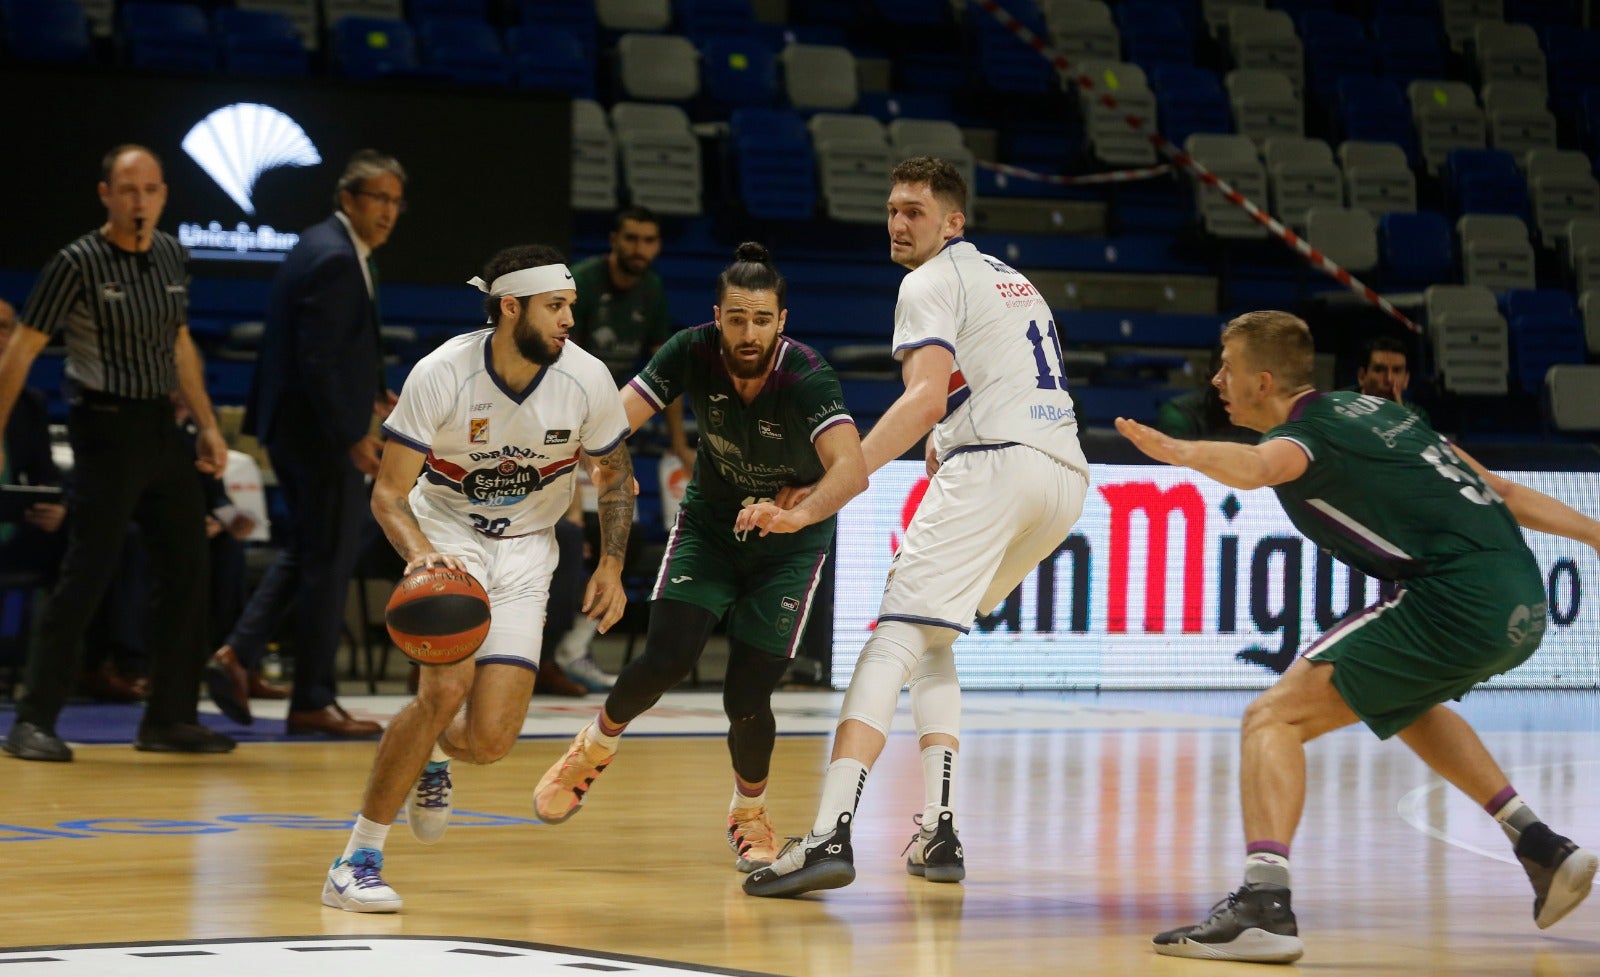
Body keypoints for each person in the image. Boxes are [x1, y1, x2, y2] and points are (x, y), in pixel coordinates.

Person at [1115, 310, 1598, 964]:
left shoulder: (1306, 434)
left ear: (1262, 380)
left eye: (1227, 366)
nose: (1217, 379)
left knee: (1271, 718)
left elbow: (1261, 466)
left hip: (1456, 595)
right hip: (1522, 598)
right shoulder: (1375, 410)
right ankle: (1540, 844)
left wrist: (1182, 452)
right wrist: (1596, 533)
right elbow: (1504, 490)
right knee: (1400, 699)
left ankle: (1264, 903)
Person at [743, 157, 1091, 898]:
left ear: (952, 222)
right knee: (933, 639)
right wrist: (950, 430)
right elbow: (988, 384)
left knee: (891, 637)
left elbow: (925, 398)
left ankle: (830, 830)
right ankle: (938, 829)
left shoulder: (928, 280)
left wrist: (825, 492)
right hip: (1065, 479)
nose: (900, 224)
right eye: (893, 209)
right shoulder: (1011, 279)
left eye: (915, 212)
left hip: (999, 466)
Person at [532, 243, 867, 873]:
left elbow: (851, 470)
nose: (748, 333)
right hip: (712, 525)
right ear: (717, 317)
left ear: (782, 322)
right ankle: (593, 748)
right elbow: (614, 419)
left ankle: (749, 814)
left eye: (761, 320)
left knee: (747, 692)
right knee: (666, 657)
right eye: (736, 319)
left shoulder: (807, 375)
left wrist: (793, 513)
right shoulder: (691, 350)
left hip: (790, 543)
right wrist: (599, 460)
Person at [321, 243, 635, 913]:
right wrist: (420, 555)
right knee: (445, 687)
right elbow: (388, 494)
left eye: (571, 307)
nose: (568, 321)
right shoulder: (443, 372)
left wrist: (611, 561)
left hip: (527, 550)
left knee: (489, 741)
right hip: (449, 535)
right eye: (556, 307)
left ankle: (428, 751)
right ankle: (356, 859)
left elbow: (614, 473)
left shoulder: (586, 378)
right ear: (510, 307)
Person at [0, 146, 234, 760]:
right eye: (128, 191)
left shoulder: (172, 255)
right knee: (88, 571)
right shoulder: (75, 263)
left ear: (163, 195)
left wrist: (207, 425)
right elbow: (21, 351)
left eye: (151, 190)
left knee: (188, 569)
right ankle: (33, 719)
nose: (140, 202)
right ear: (105, 194)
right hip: (103, 428)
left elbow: (179, 343)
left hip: (163, 428)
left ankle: (169, 719)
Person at [205, 150, 406, 737]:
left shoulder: (333, 247)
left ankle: (238, 654)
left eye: (396, 201)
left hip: (304, 426)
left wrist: (372, 392)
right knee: (330, 557)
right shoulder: (335, 257)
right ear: (348, 199)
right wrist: (351, 436)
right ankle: (312, 699)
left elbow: (338, 343)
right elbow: (316, 358)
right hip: (316, 432)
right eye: (379, 199)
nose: (389, 212)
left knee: (312, 550)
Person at [549, 205, 694, 693]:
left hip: (611, 427)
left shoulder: (651, 289)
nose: (640, 249)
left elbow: (663, 372)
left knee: (620, 541)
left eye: (649, 241)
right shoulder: (585, 284)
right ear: (614, 239)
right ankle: (543, 656)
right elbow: (558, 364)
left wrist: (677, 443)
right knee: (572, 537)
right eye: (631, 238)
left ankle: (572, 649)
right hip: (563, 425)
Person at [1156, 344, 1256, 443]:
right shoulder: (1178, 414)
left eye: (1233, 373)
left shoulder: (1262, 410)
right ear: (1210, 376)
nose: (1219, 381)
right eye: (1220, 372)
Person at [1350, 334, 1431, 425]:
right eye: (1379, 369)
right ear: (1362, 376)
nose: (1389, 379)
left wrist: (1402, 418)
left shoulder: (1418, 417)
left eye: (1397, 371)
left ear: (1406, 380)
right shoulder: (1339, 407)